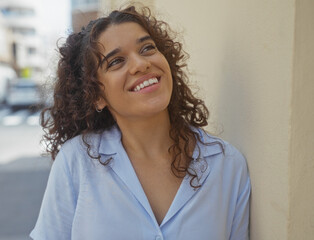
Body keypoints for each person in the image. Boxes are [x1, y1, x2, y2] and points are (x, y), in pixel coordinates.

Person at [30, 5, 250, 240]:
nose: (141, 64)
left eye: (147, 48)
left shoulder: (227, 166)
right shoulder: (76, 162)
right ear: (96, 95)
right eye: (115, 62)